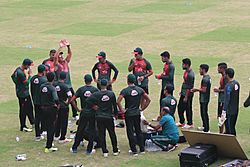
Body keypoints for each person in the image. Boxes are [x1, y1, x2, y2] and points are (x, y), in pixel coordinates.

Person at [117, 74, 151, 156]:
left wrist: (122, 110)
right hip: (137, 112)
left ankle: (134, 150)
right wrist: (142, 108)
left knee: (130, 132)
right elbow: (148, 99)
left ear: (127, 81)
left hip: (129, 114)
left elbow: (118, 101)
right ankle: (142, 149)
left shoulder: (125, 91)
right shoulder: (140, 90)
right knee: (138, 130)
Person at [86, 79, 119, 157]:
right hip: (109, 116)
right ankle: (115, 150)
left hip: (99, 116)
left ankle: (105, 151)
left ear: (100, 85)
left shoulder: (96, 94)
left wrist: (94, 106)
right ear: (107, 84)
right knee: (112, 133)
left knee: (102, 134)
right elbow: (114, 105)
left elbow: (87, 100)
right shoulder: (111, 94)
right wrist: (116, 114)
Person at [70, 74, 99, 155]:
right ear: (91, 80)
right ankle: (89, 150)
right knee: (92, 130)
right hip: (92, 113)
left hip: (84, 112)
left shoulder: (81, 89)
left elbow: (72, 100)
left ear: (84, 80)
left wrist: (77, 109)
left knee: (80, 130)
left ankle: (74, 147)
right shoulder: (95, 90)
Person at [53, 40, 78, 120]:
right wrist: (60, 48)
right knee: (60, 101)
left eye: (61, 56)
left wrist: (68, 46)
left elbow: (70, 54)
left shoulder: (65, 62)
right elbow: (55, 57)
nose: (61, 57)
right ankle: (58, 115)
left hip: (69, 85)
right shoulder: (57, 65)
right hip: (61, 86)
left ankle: (75, 114)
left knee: (73, 99)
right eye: (60, 56)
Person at [11, 58, 35, 132]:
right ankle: (23, 126)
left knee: (29, 108)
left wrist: (17, 84)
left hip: (22, 92)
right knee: (24, 110)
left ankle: (33, 122)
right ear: (26, 65)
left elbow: (12, 77)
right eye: (29, 66)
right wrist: (30, 76)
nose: (29, 67)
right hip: (23, 94)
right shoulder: (21, 73)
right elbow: (26, 83)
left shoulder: (18, 70)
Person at [40, 72, 59, 153]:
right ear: (54, 78)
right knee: (51, 127)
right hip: (51, 109)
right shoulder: (52, 88)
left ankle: (48, 142)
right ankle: (49, 146)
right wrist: (57, 105)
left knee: (46, 125)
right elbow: (56, 98)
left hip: (43, 108)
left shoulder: (42, 86)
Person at [53, 72, 74, 143]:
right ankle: (62, 138)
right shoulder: (65, 86)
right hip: (63, 106)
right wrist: (67, 103)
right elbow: (70, 95)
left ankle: (56, 135)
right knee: (64, 122)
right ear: (65, 78)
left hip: (56, 105)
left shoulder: (54, 84)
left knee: (57, 120)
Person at [191, 64, 211, 132]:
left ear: (203, 70)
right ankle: (204, 126)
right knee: (203, 112)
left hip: (204, 99)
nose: (199, 71)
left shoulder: (205, 79)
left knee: (204, 113)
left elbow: (204, 90)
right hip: (205, 98)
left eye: (200, 69)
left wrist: (196, 89)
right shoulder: (207, 77)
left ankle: (206, 128)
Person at [30, 64, 48, 141]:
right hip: (42, 102)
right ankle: (43, 130)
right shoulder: (44, 80)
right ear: (43, 71)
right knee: (43, 116)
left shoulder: (33, 78)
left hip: (35, 100)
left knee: (37, 117)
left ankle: (37, 134)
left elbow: (32, 90)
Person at [176, 58, 195, 129]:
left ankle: (190, 123)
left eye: (183, 64)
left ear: (187, 65)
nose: (182, 65)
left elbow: (189, 87)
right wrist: (182, 91)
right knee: (180, 107)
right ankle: (182, 121)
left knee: (188, 108)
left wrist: (186, 96)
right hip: (184, 93)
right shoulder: (186, 72)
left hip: (188, 94)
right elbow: (185, 83)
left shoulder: (190, 74)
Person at [221, 68, 240, 136]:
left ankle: (233, 144)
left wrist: (224, 111)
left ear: (227, 75)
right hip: (235, 109)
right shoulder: (236, 83)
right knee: (232, 127)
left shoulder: (228, 86)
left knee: (229, 129)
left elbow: (227, 99)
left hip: (230, 111)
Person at [213, 62, 228, 133]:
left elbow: (226, 89)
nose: (217, 69)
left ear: (222, 69)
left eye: (219, 68)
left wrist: (218, 90)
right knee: (221, 115)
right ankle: (222, 131)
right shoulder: (223, 76)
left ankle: (221, 132)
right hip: (221, 99)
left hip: (223, 100)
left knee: (221, 116)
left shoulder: (225, 77)